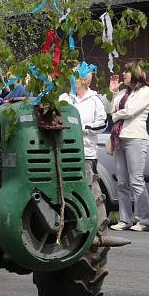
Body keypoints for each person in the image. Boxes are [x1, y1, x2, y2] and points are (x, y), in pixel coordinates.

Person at [58, 62, 108, 221]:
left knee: (91, 192)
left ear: (84, 81)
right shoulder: (64, 98)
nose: (71, 79)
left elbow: (102, 123)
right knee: (65, 190)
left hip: (87, 154)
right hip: (64, 152)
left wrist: (82, 128)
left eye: (75, 76)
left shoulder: (94, 100)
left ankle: (98, 228)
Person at [108, 61, 149, 231]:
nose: (124, 74)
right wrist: (112, 93)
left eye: (127, 72)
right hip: (119, 139)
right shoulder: (122, 93)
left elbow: (130, 111)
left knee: (136, 181)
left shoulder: (145, 91)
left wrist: (115, 116)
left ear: (135, 74)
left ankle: (144, 221)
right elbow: (109, 109)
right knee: (122, 182)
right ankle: (125, 220)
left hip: (134, 138)